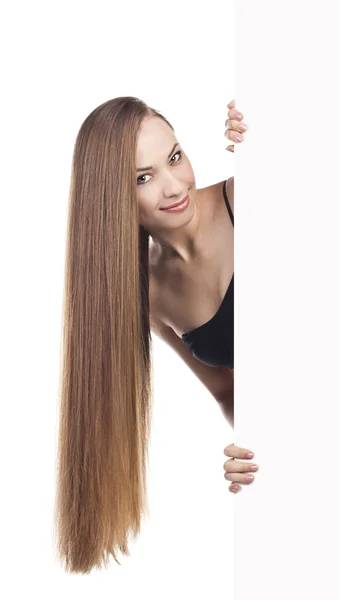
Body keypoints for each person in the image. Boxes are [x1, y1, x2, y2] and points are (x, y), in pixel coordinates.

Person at [54, 96, 257, 575]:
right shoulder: (149, 294)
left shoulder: (245, 199)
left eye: (174, 157)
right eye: (143, 178)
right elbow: (229, 391)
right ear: (111, 198)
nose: (174, 186)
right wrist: (255, 446)